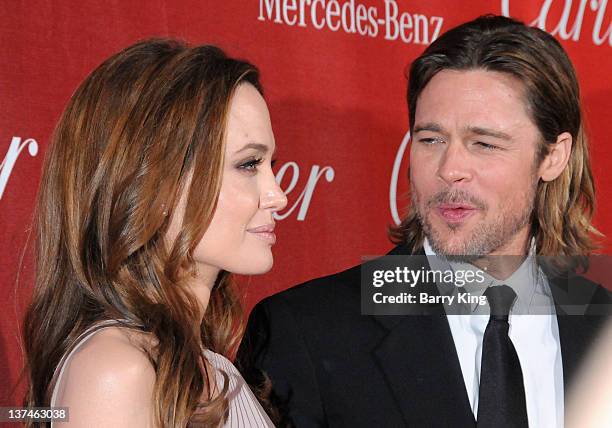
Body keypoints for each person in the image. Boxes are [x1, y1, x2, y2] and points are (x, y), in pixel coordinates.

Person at [237, 15, 611, 427]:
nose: (450, 169)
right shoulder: (307, 330)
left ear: (553, 157)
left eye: (484, 144)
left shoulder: (602, 331)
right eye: (430, 139)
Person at [22, 39, 286, 427]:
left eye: (270, 164)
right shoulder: (116, 371)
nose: (277, 195)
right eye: (249, 164)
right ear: (154, 183)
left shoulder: (205, 365)